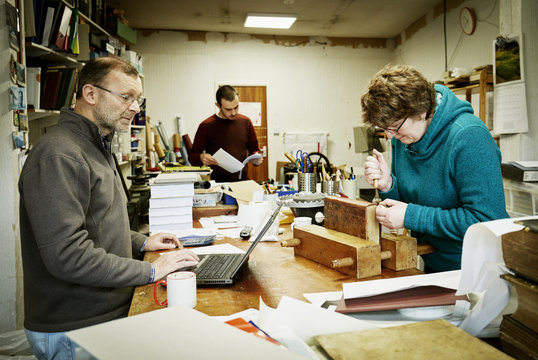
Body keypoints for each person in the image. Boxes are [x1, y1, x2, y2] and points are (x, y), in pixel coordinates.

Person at [18, 56, 199, 360]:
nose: (135, 107)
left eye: (138, 99)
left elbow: (97, 224)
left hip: (100, 316)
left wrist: (142, 242)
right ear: (91, 94)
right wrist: (152, 269)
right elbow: (67, 255)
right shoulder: (59, 155)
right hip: (73, 327)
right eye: (126, 97)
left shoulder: (96, 145)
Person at [361, 64, 508, 273]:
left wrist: (410, 216)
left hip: (480, 272)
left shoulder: (469, 136)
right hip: (435, 267)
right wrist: (389, 184)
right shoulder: (403, 137)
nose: (390, 136)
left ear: (421, 110)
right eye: (384, 129)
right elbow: (412, 202)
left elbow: (486, 221)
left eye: (394, 127)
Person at [188, 85, 263, 182]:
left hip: (241, 181)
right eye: (228, 109)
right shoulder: (206, 125)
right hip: (217, 183)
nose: (233, 113)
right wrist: (201, 157)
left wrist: (257, 158)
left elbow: (255, 150)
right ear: (218, 106)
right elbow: (192, 156)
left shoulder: (245, 122)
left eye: (236, 107)